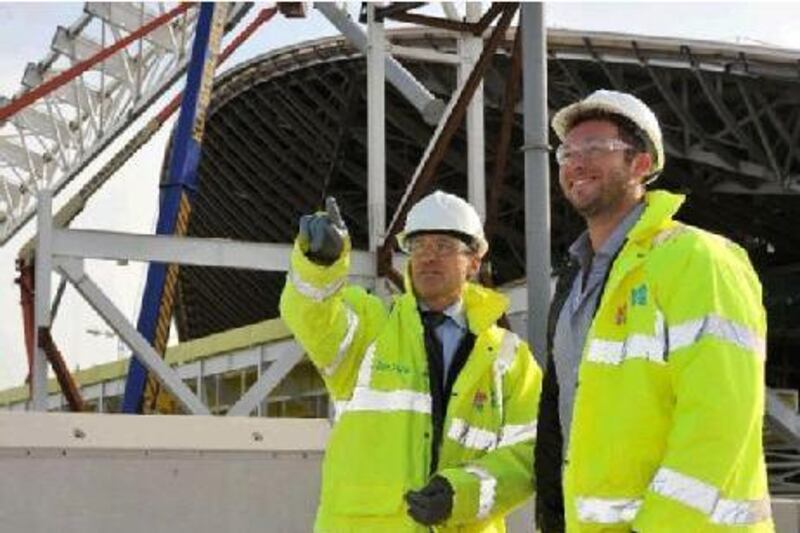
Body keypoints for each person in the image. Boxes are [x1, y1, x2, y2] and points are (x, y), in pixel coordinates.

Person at [533, 89, 773, 532]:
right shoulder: (573, 286)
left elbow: (720, 422)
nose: (575, 162)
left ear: (641, 164)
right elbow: (563, 426)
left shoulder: (698, 258)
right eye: (567, 152)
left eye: (594, 148)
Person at [280, 191, 542, 532]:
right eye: (418, 246)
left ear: (474, 262)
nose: (428, 257)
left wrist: (459, 495)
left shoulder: (509, 358)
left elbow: (529, 454)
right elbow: (310, 314)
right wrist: (318, 264)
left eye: (444, 246)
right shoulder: (371, 328)